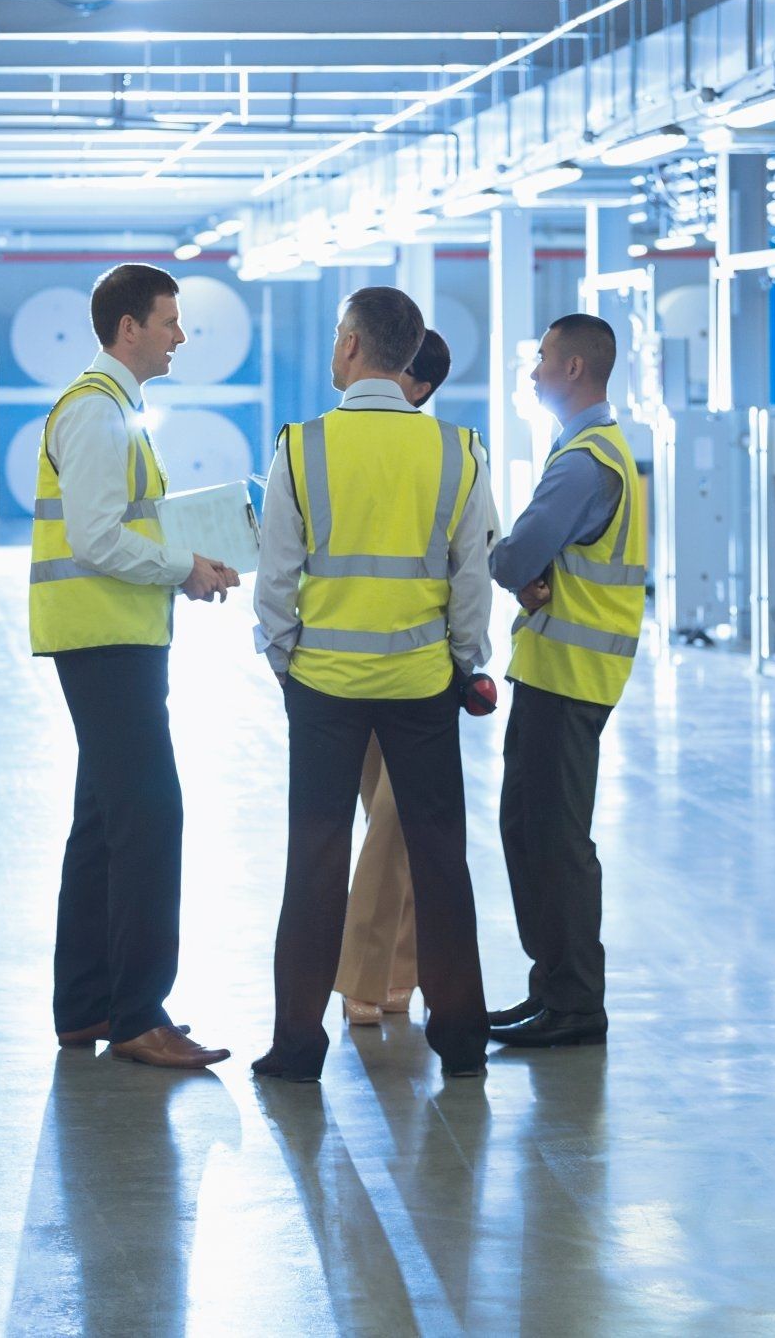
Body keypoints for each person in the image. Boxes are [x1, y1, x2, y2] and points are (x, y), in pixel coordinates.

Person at [251, 287, 496, 1082]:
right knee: (440, 858)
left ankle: (296, 1047)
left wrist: (285, 659)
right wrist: (464, 661)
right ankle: (460, 1039)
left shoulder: (303, 445)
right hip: (425, 681)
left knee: (315, 857)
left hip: (322, 683)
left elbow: (276, 576)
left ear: (352, 346)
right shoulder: (458, 450)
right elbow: (472, 580)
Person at [30, 262, 237, 1070]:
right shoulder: (94, 413)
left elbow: (122, 531)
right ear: (129, 329)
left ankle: (84, 1007)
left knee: (104, 823)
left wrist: (186, 563)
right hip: (103, 640)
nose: (180, 336)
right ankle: (139, 1015)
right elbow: (97, 539)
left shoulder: (118, 409)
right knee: (152, 816)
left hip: (116, 635)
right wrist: (183, 567)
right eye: (170, 321)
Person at [487, 314, 645, 1049]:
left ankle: (576, 1003)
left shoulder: (586, 460)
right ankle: (551, 987)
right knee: (529, 828)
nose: (535, 369)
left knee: (555, 838)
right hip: (561, 669)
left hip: (569, 673)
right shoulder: (593, 449)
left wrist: (512, 568)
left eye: (544, 357)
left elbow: (516, 557)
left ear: (576, 368)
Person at [334, 328, 453, 1027]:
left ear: (417, 385)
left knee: (394, 822)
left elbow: (473, 556)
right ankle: (394, 971)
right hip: (356, 664)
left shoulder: (442, 452)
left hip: (409, 665)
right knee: (392, 822)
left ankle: (370, 975)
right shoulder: (336, 441)